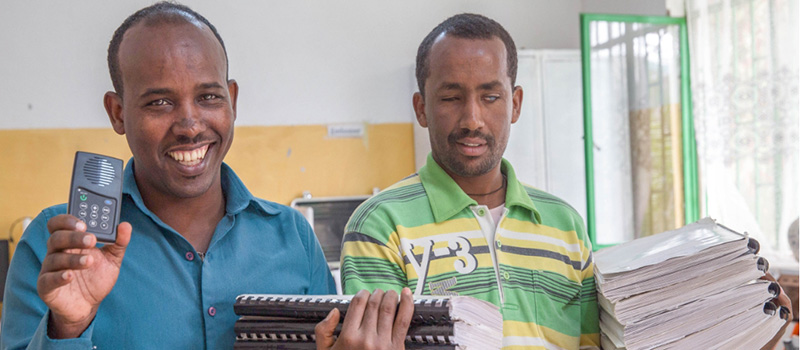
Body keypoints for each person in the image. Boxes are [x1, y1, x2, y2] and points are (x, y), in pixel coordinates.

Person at [0, 3, 412, 349]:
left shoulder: (292, 237)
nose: (190, 124)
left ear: (232, 101)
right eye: (159, 102)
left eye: (208, 97)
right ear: (118, 112)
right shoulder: (59, 249)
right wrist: (68, 328)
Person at [339, 13, 601, 349]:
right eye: (451, 98)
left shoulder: (565, 225)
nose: (472, 120)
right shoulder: (380, 225)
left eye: (490, 97)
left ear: (515, 104)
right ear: (421, 108)